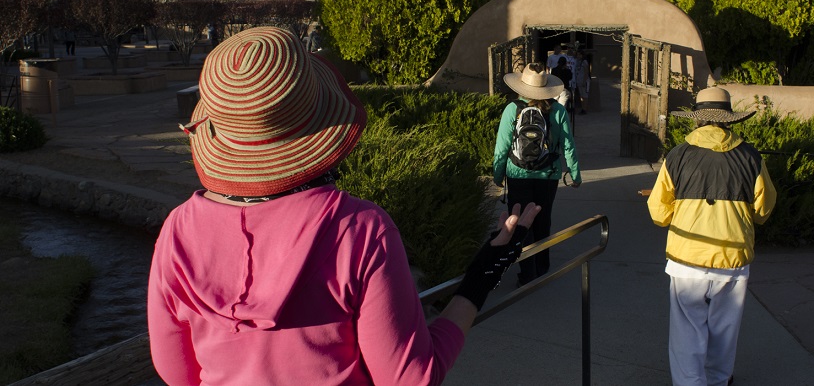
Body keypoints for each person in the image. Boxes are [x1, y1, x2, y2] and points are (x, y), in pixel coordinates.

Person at [148, 26, 540, 386]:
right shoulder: (360, 230)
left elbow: (176, 371)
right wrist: (485, 272)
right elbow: (408, 379)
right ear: (319, 123)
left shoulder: (177, 231)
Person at [647, 87, 777, 386]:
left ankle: (691, 382)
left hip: (687, 256)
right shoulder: (750, 156)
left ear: (698, 120)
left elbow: (658, 211)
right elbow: (764, 207)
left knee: (687, 330)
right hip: (732, 257)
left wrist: (676, 214)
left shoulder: (678, 155)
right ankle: (719, 380)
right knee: (725, 329)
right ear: (729, 120)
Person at [493, 62, 581, 286]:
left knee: (521, 223)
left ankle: (527, 271)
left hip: (517, 173)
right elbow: (568, 145)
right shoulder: (558, 111)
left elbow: (502, 147)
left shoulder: (512, 109)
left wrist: (498, 175)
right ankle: (542, 269)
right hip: (548, 175)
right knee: (543, 221)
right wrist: (575, 174)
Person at [573, 50, 590, 114]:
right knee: (581, 96)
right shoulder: (577, 61)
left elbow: (586, 72)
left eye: (579, 55)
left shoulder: (584, 62)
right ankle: (582, 108)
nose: (578, 56)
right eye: (578, 55)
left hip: (584, 81)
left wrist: (584, 81)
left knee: (585, 96)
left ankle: (584, 109)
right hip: (579, 81)